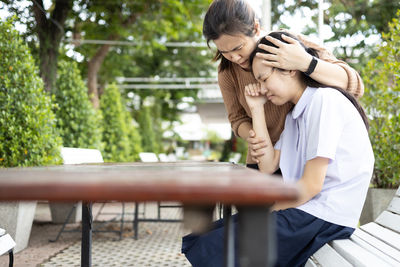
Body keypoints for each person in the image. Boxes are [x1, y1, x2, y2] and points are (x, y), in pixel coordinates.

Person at [182, 31, 374, 267]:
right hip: (308, 212)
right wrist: (257, 109)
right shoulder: (294, 116)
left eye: (263, 78)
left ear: (289, 68)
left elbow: (311, 186)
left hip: (324, 216)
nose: (261, 88)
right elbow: (268, 166)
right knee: (205, 237)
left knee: (216, 246)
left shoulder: (324, 101)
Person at [202, 0, 364, 169]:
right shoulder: (227, 72)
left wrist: (304, 61)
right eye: (224, 52)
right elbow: (237, 118)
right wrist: (254, 138)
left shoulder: (287, 43)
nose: (234, 58)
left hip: (305, 154)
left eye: (238, 48)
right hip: (264, 158)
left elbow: (355, 86)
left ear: (256, 28)